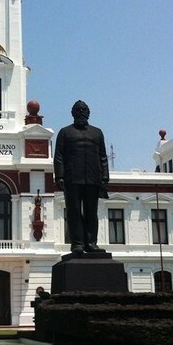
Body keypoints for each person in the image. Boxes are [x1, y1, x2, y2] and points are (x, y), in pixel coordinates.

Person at [54, 100, 109, 254]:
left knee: (92, 212)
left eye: (84, 110)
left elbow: (103, 156)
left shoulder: (97, 133)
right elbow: (58, 156)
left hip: (93, 178)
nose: (81, 113)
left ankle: (91, 243)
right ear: (72, 113)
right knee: (74, 211)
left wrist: (105, 177)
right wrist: (59, 176)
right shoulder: (65, 132)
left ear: (89, 113)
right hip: (72, 178)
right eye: (78, 110)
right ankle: (77, 244)